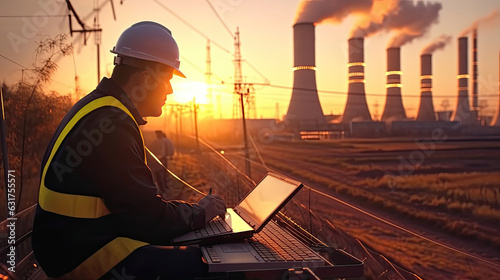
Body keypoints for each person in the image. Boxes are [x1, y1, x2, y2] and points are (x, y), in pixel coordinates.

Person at [32, 21, 226, 280]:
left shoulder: (100, 109)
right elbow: (148, 219)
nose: (169, 90)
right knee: (213, 267)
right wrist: (200, 213)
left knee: (197, 254)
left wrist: (190, 215)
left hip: (72, 244)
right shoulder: (112, 125)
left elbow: (139, 211)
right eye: (167, 80)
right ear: (145, 79)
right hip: (84, 256)